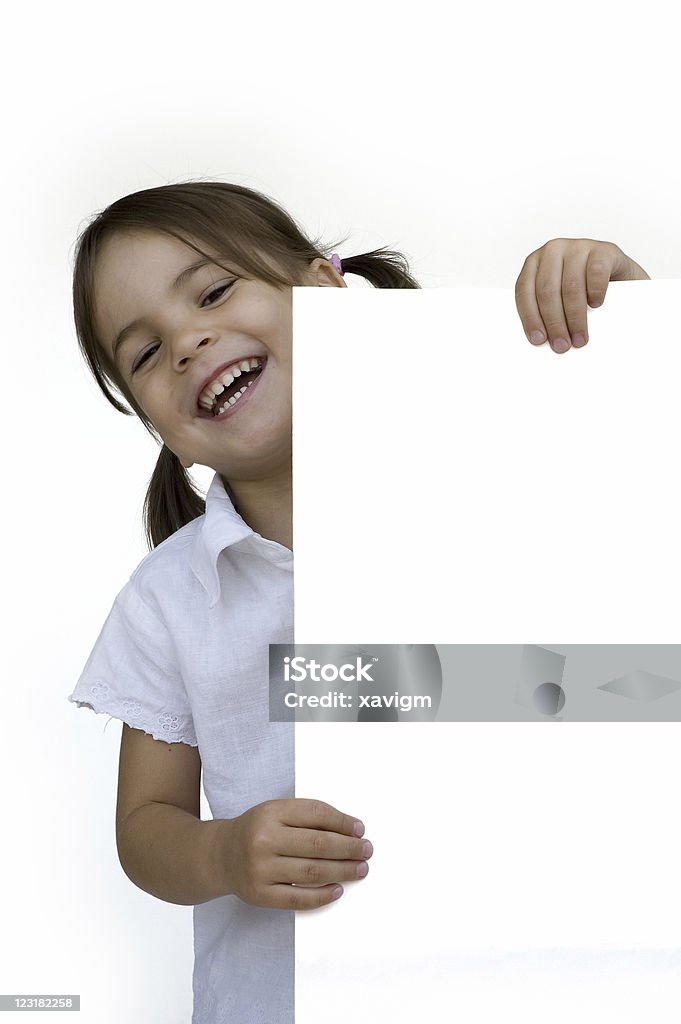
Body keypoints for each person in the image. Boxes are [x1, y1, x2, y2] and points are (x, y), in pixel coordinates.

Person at [65, 180, 649, 1024]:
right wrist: (222, 852)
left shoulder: (508, 480)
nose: (186, 341)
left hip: (542, 978)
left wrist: (619, 316)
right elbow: (144, 825)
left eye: (215, 290)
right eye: (145, 353)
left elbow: (630, 533)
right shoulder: (169, 598)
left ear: (325, 287)